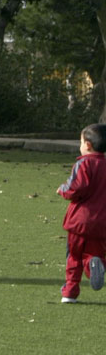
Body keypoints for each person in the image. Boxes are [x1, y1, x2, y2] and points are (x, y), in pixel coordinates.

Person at [57, 122, 106, 303]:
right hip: (102, 223)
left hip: (80, 221)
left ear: (87, 145)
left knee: (74, 255)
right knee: (96, 254)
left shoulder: (84, 164)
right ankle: (95, 264)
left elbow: (76, 188)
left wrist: (62, 189)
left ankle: (70, 292)